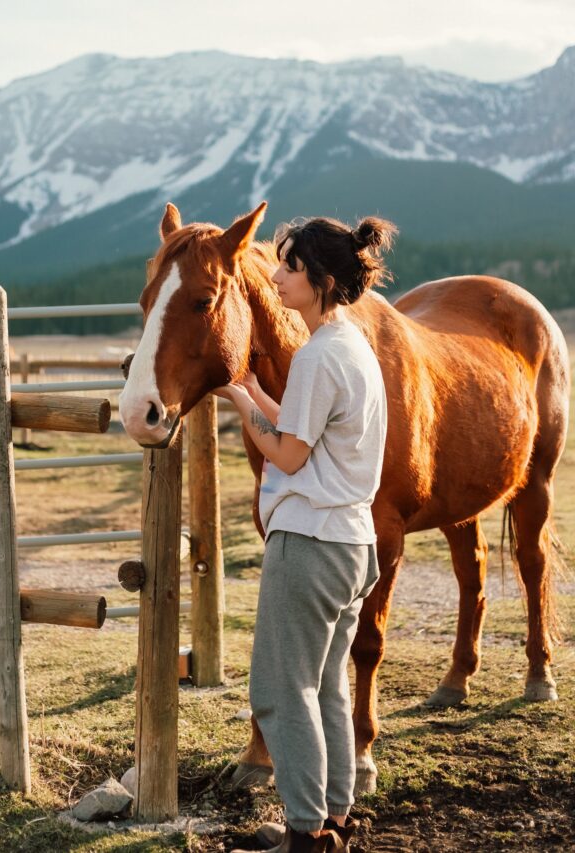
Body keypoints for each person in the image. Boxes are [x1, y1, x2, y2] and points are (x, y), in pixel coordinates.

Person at [213, 214, 395, 853]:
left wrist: (238, 406)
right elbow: (304, 431)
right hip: (351, 543)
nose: (278, 275)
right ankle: (334, 818)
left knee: (277, 689)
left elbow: (288, 457)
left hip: (310, 542)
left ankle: (303, 831)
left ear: (321, 279)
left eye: (290, 266)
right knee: (325, 686)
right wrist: (255, 389)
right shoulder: (353, 348)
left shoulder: (319, 356)